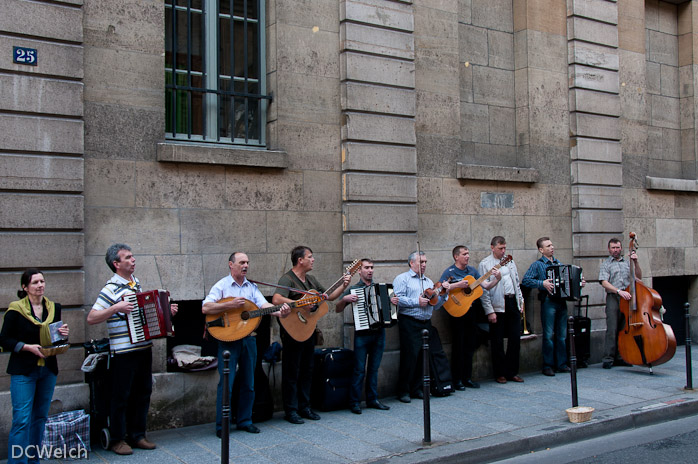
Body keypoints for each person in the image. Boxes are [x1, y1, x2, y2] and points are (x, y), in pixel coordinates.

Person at [87, 244, 178, 456]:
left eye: (133, 256)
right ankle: (118, 439)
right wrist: (114, 308)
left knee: (143, 392)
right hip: (123, 352)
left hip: (143, 348)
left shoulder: (135, 284)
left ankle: (138, 435)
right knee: (121, 396)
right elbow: (92, 318)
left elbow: (146, 316)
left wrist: (167, 311)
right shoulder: (109, 289)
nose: (133, 260)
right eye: (128, 258)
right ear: (116, 264)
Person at [203, 252, 290, 437]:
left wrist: (280, 312)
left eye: (247, 263)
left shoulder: (251, 286)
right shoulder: (222, 286)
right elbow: (206, 307)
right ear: (231, 265)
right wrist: (229, 305)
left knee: (249, 382)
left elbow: (263, 305)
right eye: (242, 262)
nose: (246, 266)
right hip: (228, 340)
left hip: (249, 338)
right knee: (227, 383)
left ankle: (245, 420)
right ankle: (222, 426)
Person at [271, 246, 350, 424]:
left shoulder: (311, 280)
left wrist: (344, 284)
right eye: (310, 257)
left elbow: (328, 296)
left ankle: (304, 407)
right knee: (292, 372)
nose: (313, 260)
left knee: (307, 369)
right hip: (292, 332)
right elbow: (276, 299)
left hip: (308, 331)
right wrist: (300, 303)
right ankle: (290, 410)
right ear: (300, 260)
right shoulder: (288, 279)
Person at [1, 269, 69, 464]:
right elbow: (4, 339)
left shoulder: (54, 307)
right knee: (22, 420)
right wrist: (26, 347)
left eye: (42, 281)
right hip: (23, 370)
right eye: (35, 282)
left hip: (47, 370)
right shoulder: (15, 309)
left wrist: (63, 334)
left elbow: (58, 340)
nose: (40, 285)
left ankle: (33, 461)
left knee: (39, 418)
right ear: (25, 287)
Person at [335, 258, 397, 414]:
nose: (370, 270)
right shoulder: (354, 289)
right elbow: (337, 308)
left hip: (379, 333)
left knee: (374, 368)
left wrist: (394, 303)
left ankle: (372, 399)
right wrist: (344, 299)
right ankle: (354, 401)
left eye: (372, 267)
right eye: (367, 267)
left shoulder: (382, 288)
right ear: (360, 271)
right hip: (362, 334)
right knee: (359, 369)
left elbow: (392, 313)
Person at [439, 245, 500, 390]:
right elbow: (441, 288)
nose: (467, 256)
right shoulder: (450, 271)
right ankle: (457, 379)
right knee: (458, 346)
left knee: (470, 345)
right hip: (456, 313)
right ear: (456, 256)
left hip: (470, 313)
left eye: (468, 254)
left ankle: (467, 378)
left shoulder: (472, 271)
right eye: (464, 254)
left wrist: (496, 279)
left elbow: (485, 285)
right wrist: (458, 285)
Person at [521, 237, 585, 377]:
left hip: (561, 302)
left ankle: (561, 364)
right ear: (541, 250)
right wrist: (542, 283)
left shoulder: (559, 263)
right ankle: (548, 365)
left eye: (552, 244)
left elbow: (568, 279)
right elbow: (526, 280)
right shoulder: (537, 265)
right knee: (548, 335)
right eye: (548, 246)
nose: (552, 247)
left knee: (562, 335)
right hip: (548, 302)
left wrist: (579, 282)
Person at [393, 251, 445, 403]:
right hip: (410, 322)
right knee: (410, 356)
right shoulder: (403, 279)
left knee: (423, 357)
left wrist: (444, 295)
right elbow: (397, 299)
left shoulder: (429, 282)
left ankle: (417, 388)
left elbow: (435, 306)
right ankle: (403, 390)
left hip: (426, 322)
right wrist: (416, 301)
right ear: (412, 263)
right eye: (421, 262)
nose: (424, 265)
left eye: (425, 262)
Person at [479, 236, 524, 384]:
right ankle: (500, 373)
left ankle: (512, 371)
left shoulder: (509, 261)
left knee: (515, 339)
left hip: (512, 301)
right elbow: (483, 291)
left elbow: (516, 282)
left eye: (505, 248)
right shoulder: (485, 264)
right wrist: (489, 310)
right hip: (497, 303)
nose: (503, 251)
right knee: (497, 340)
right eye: (500, 248)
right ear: (492, 247)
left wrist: (521, 301)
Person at [599, 237, 641, 369]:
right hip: (614, 297)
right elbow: (604, 282)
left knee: (625, 328)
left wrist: (636, 262)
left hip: (628, 296)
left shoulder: (627, 262)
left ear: (621, 248)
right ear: (609, 249)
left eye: (617, 248)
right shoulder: (606, 264)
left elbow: (638, 277)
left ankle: (621, 356)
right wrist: (618, 291)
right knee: (612, 328)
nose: (615, 250)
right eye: (613, 248)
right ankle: (608, 358)